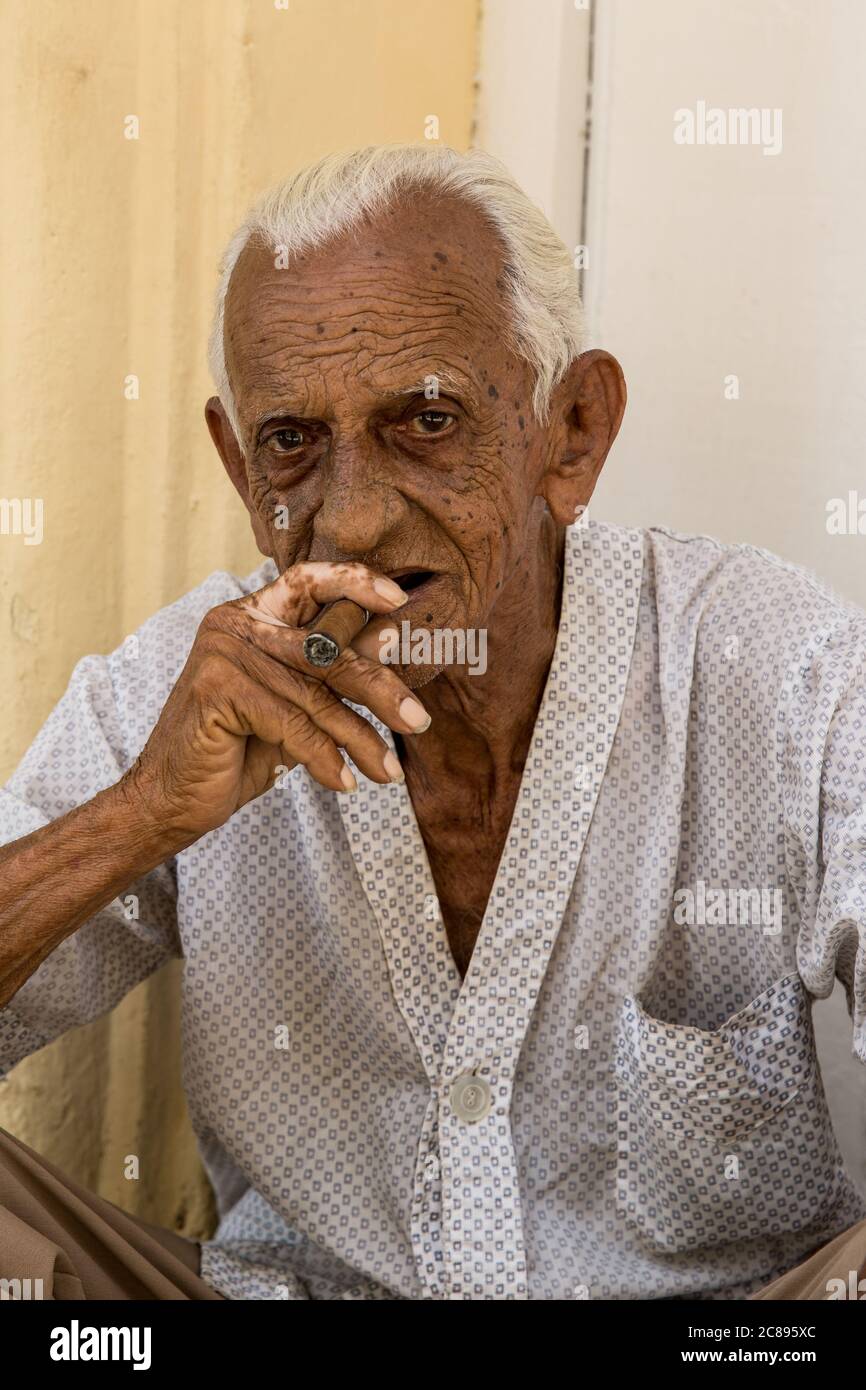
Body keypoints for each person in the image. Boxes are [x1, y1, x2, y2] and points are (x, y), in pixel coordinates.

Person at [2, 144, 866, 1301]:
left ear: (571, 433)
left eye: (423, 420)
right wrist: (136, 816)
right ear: (234, 458)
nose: (348, 519)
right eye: (292, 442)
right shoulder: (185, 687)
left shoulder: (776, 668)